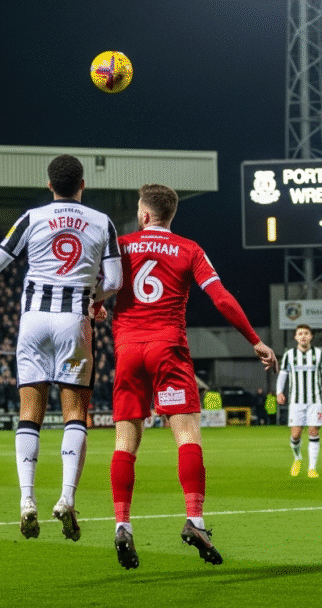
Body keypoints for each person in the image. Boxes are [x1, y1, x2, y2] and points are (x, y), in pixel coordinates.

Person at [0, 154, 121, 541]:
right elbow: (114, 280)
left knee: (29, 414)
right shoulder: (102, 222)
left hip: (32, 321)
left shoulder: (32, 218)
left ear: (49, 185)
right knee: (75, 414)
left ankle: (27, 500)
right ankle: (66, 498)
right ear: (82, 185)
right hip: (73, 321)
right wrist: (95, 299)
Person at [108, 183, 277, 570]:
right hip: (168, 348)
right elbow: (221, 298)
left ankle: (122, 525)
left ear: (144, 215)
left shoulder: (120, 246)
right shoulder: (189, 249)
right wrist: (255, 340)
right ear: (170, 215)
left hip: (128, 350)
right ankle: (195, 520)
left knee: (125, 442)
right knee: (187, 435)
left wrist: (95, 308)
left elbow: (97, 288)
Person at [276, 324, 322, 477]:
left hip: (315, 401)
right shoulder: (289, 355)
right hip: (296, 402)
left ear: (311, 336)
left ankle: (312, 468)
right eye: (300, 333)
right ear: (296, 337)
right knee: (295, 435)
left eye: (306, 333)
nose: (303, 336)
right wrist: (279, 392)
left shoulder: (319, 354)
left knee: (313, 432)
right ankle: (297, 458)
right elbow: (283, 375)